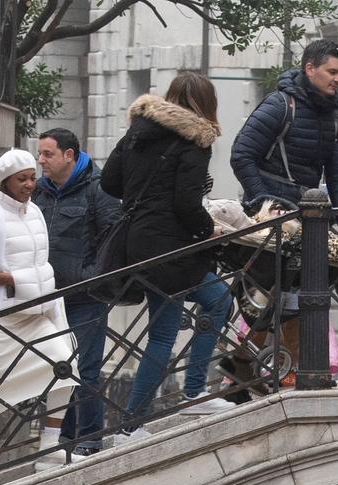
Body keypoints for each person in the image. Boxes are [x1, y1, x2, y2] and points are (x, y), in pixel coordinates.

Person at [103, 74, 235, 430]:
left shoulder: (139, 129)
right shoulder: (196, 140)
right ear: (206, 104)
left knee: (211, 302)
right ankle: (135, 422)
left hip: (137, 243)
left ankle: (185, 397)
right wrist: (210, 230)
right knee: (192, 316)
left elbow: (109, 182)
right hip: (170, 249)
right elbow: (186, 202)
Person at [0, 147, 76, 459]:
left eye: (32, 178)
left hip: (38, 316)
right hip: (2, 321)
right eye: (21, 179)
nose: (29, 184)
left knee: (66, 366)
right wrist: (8, 279)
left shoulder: (35, 211)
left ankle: (51, 447)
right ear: (5, 181)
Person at [33, 127, 121, 449]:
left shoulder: (98, 189)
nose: (40, 160)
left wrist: (89, 276)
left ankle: (90, 438)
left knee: (87, 371)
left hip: (86, 296)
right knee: (59, 369)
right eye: (40, 153)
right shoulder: (41, 191)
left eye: (48, 154)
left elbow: (113, 241)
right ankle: (64, 439)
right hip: (48, 298)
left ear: (69, 156)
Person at [231, 38, 338, 228]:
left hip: (308, 216)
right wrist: (263, 203)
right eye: (332, 72)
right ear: (310, 69)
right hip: (268, 221)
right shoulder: (279, 105)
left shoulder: (336, 119)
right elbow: (241, 155)